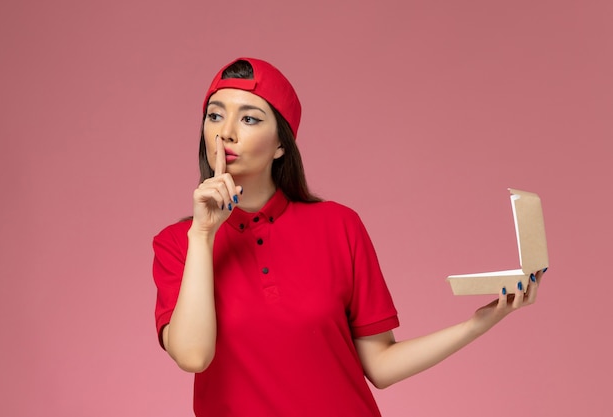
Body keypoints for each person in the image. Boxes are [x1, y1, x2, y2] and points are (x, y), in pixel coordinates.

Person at [152, 57, 546, 416]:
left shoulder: (338, 226)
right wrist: (203, 234)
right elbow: (192, 355)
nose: (226, 134)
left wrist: (481, 322)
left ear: (280, 146)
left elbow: (380, 365)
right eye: (215, 116)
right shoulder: (177, 243)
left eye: (250, 119)